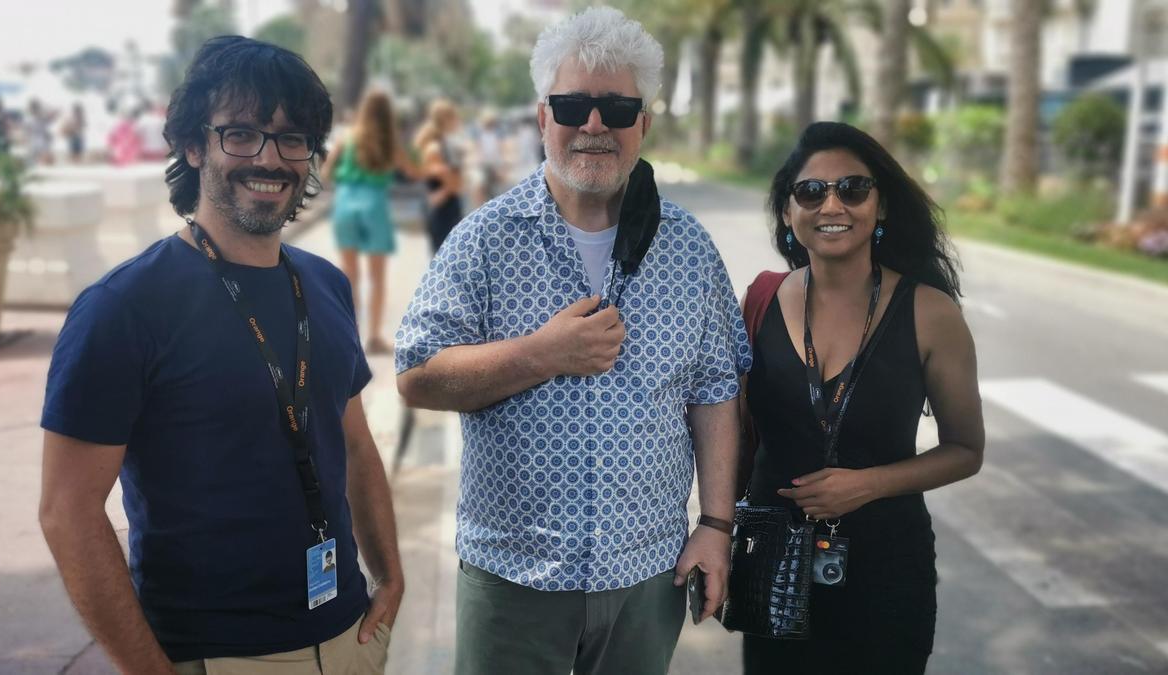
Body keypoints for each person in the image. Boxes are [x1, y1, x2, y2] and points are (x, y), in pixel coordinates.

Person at [395, 7, 751, 674]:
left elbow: (714, 387)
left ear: (642, 123)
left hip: (647, 574)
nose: (594, 124)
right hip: (512, 575)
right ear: (542, 119)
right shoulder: (484, 240)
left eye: (617, 108)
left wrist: (716, 524)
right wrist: (542, 354)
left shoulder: (689, 248)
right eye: (573, 104)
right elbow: (417, 373)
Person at [39, 36, 403, 675]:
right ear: (193, 144)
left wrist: (391, 575)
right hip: (217, 654)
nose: (269, 157)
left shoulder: (323, 283)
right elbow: (67, 512)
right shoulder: (123, 306)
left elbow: (355, 444)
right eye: (241, 133)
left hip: (350, 635)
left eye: (292, 138)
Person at [740, 121, 985, 674]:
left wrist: (867, 485)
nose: (833, 204)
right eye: (811, 191)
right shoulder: (758, 301)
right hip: (773, 563)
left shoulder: (930, 314)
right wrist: (713, 528)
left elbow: (967, 449)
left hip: (887, 571)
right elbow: (730, 430)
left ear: (881, 207)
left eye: (853, 189)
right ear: (787, 211)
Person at [321, 90, 417, 355]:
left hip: (346, 200)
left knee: (350, 276)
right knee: (377, 277)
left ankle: (348, 335)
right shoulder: (390, 142)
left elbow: (326, 172)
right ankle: (373, 337)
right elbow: (411, 171)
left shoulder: (347, 136)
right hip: (375, 203)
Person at [413, 98, 463, 254]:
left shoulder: (443, 144)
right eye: (454, 117)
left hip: (447, 208)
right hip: (442, 212)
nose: (458, 121)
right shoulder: (435, 148)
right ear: (446, 119)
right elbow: (454, 184)